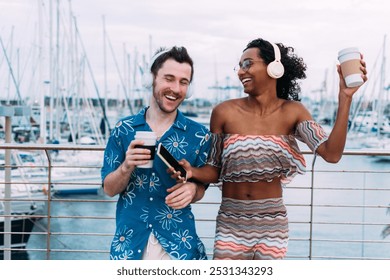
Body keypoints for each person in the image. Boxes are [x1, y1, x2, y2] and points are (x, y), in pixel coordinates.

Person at [177, 38, 368, 260]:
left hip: (272, 225)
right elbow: (214, 169)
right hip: (231, 221)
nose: (240, 71)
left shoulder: (293, 112)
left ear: (273, 67)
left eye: (247, 63)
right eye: (239, 66)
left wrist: (345, 98)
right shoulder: (223, 112)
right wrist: (191, 171)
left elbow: (332, 154)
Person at [101, 46, 211, 260]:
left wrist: (192, 189)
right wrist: (126, 166)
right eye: (168, 78)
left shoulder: (199, 135)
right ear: (150, 79)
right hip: (130, 246)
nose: (176, 88)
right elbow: (109, 189)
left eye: (183, 82)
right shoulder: (123, 129)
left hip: (181, 247)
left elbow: (201, 189)